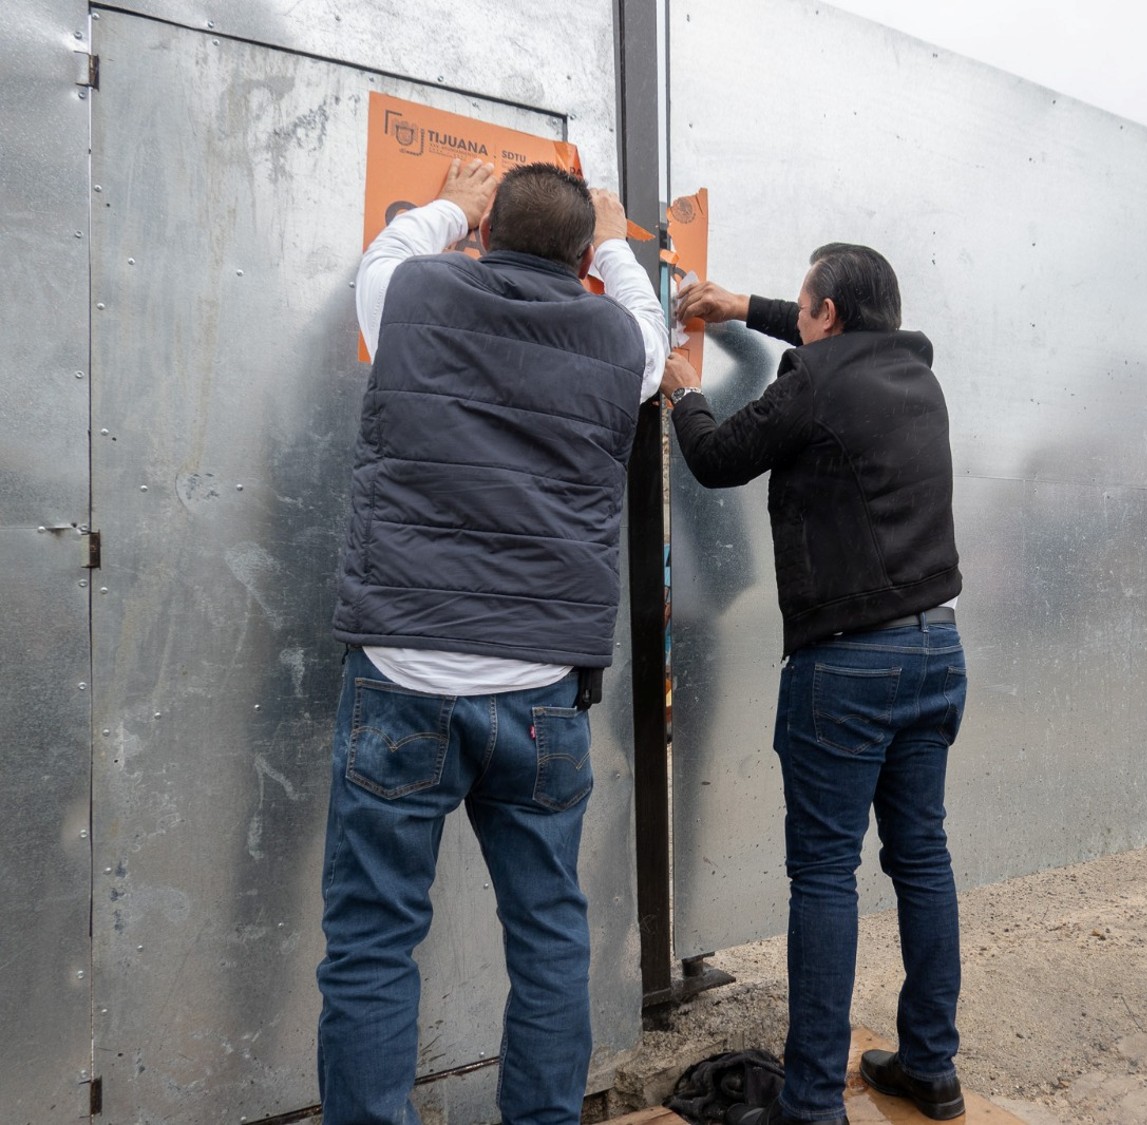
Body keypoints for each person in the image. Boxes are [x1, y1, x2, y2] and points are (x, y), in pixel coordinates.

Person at [317, 157, 666, 1125]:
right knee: (549, 935)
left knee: (373, 942)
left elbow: (380, 256)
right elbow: (650, 326)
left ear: (484, 234)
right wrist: (616, 242)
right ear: (582, 259)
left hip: (402, 671)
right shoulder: (617, 342)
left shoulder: (414, 296)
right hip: (541, 690)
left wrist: (446, 204)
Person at [663, 247, 969, 1124]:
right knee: (921, 857)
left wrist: (685, 390)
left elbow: (717, 458)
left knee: (826, 875)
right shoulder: (916, 375)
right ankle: (930, 1066)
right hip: (936, 649)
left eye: (801, 307)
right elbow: (824, 341)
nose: (794, 320)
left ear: (826, 315)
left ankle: (809, 1105)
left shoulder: (815, 380)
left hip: (847, 664)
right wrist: (740, 306)